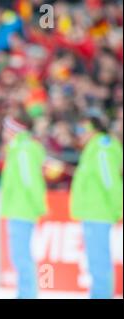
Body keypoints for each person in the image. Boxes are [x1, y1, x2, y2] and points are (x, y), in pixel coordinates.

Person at [70, 114, 123, 299]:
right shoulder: (93, 148)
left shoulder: (102, 147)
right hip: (91, 212)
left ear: (95, 130)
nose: (79, 134)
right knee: (95, 261)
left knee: (99, 261)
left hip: (99, 212)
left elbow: (110, 180)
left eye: (83, 130)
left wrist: (118, 207)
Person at [0, 112, 47, 299]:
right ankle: (25, 293)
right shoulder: (18, 148)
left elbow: (30, 181)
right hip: (18, 208)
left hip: (23, 209)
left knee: (21, 256)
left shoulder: (24, 150)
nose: (3, 132)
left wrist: (37, 206)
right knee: (19, 256)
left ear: (13, 131)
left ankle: (27, 294)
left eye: (6, 128)